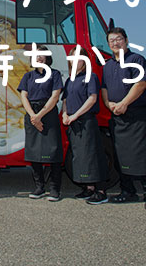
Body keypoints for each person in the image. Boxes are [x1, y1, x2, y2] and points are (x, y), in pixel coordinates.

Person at [102, 27, 146, 211]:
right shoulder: (108, 65)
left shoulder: (137, 59)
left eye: (118, 39)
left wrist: (124, 103)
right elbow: (104, 88)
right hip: (118, 116)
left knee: (145, 154)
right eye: (111, 41)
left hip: (137, 114)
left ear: (126, 41)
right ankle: (127, 191)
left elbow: (141, 84)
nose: (115, 43)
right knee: (121, 155)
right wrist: (109, 104)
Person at [62, 47, 109, 204]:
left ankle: (101, 191)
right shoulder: (70, 80)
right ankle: (89, 188)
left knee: (93, 155)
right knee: (80, 156)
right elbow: (65, 100)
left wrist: (75, 115)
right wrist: (65, 114)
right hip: (74, 123)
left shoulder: (91, 77)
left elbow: (92, 99)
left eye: (79, 58)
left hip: (86, 120)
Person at [17, 46, 63, 201]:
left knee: (54, 152)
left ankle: (55, 189)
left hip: (48, 114)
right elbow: (24, 96)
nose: (39, 58)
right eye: (36, 55)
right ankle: (39, 187)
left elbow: (55, 96)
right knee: (34, 153)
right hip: (32, 114)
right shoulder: (28, 76)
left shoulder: (55, 74)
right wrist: (33, 116)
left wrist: (40, 116)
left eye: (42, 55)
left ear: (47, 58)